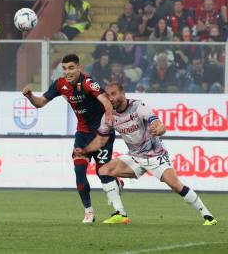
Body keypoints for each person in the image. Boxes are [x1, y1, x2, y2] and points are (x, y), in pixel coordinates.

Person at [74, 83, 218, 226]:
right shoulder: (110, 117)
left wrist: (160, 129)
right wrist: (85, 150)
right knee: (104, 170)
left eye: (114, 94)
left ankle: (208, 216)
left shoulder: (138, 107)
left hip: (155, 155)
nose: (111, 98)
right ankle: (120, 214)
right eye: (108, 95)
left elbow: (157, 123)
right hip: (135, 157)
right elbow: (100, 140)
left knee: (176, 186)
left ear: (123, 94)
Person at [22, 54, 128, 225]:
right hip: (83, 133)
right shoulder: (59, 84)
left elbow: (106, 102)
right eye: (64, 68)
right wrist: (30, 96)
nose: (67, 72)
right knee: (79, 171)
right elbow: (40, 103)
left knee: (103, 173)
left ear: (79, 68)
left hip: (102, 133)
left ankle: (120, 212)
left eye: (71, 68)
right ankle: (89, 212)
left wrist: (108, 118)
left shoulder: (88, 82)